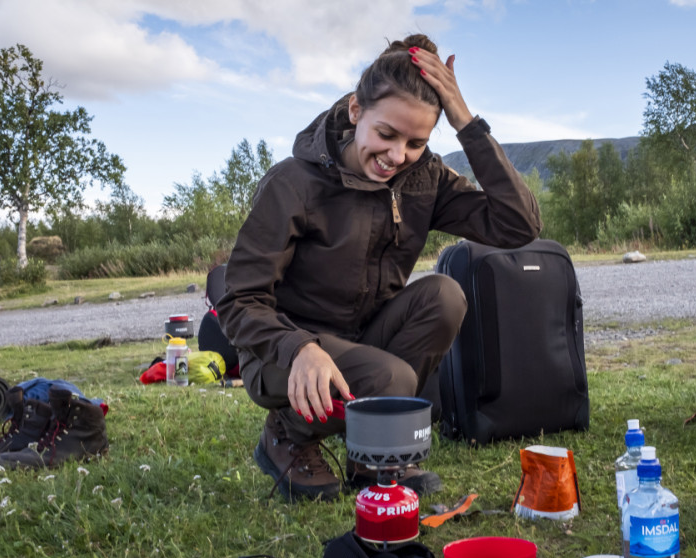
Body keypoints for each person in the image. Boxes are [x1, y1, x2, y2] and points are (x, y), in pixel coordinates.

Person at [216, 34, 542, 502]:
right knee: (390, 380)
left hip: (362, 335)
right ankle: (288, 433)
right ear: (355, 111)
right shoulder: (293, 184)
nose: (396, 156)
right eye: (386, 135)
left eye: (416, 142)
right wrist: (298, 347)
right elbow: (237, 298)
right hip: (281, 352)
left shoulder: (424, 179)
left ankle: (369, 454)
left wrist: (464, 120)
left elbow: (519, 223)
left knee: (444, 297)